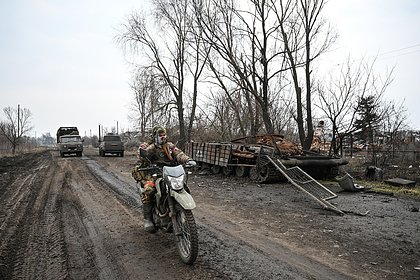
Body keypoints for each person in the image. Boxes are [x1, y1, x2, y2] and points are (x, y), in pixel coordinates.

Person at [137, 125, 196, 232]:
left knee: (183, 187)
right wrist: (142, 153)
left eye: (164, 135)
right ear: (155, 136)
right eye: (160, 135)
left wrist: (188, 160)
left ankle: (180, 214)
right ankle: (148, 219)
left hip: (170, 172)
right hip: (155, 173)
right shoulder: (151, 147)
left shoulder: (169, 146)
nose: (163, 137)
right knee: (148, 190)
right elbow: (143, 157)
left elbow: (179, 154)